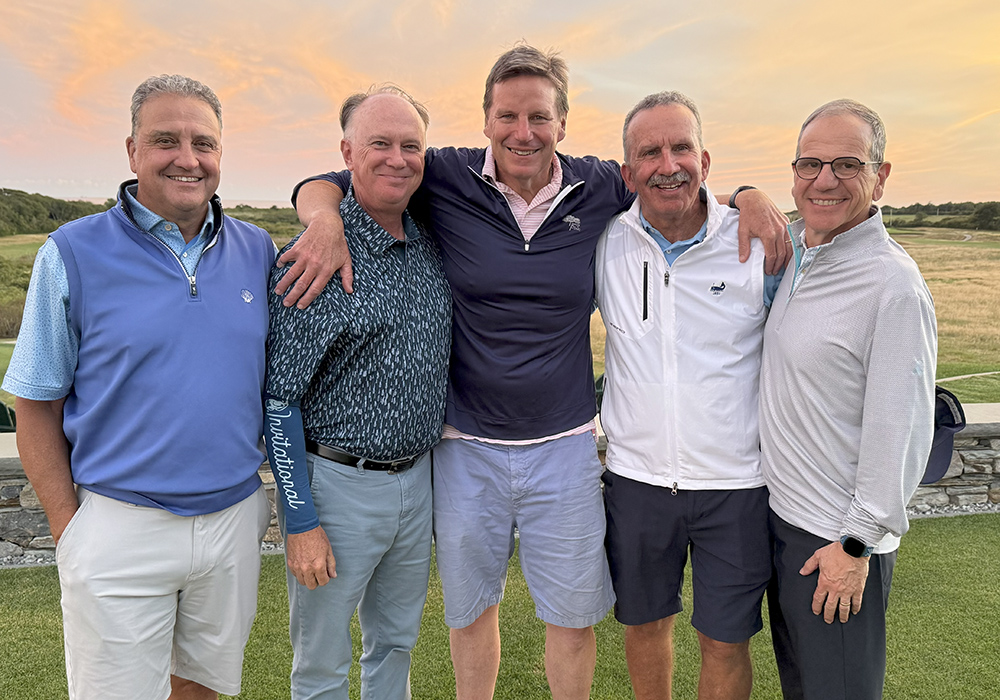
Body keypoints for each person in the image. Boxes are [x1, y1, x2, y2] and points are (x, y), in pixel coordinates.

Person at [291, 45, 790, 700]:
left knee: (572, 618)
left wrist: (748, 196)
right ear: (486, 120)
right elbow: (331, 179)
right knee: (471, 611)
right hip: (466, 446)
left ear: (562, 122)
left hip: (565, 446)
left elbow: (672, 181)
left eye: (539, 117)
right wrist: (323, 218)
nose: (522, 132)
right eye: (507, 116)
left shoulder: (600, 184)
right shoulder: (443, 175)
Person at [2, 74, 296, 700]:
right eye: (167, 140)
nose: (188, 158)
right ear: (133, 151)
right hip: (118, 521)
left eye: (203, 143)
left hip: (233, 519)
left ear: (220, 154)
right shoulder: (71, 252)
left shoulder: (256, 250)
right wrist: (71, 531)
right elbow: (35, 403)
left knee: (202, 688)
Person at [263, 87, 451, 700]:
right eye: (379, 144)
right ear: (347, 154)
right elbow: (278, 399)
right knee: (321, 665)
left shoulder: (431, 240)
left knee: (395, 646)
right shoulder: (315, 256)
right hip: (337, 486)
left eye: (410, 145)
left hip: (417, 481)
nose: (397, 158)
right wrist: (300, 520)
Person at [596, 91, 777, 700]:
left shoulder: (756, 243)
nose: (667, 165)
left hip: (736, 484)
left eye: (681, 148)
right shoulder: (607, 242)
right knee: (645, 627)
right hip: (638, 481)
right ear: (627, 173)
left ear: (705, 160)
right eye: (649, 152)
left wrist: (749, 196)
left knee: (724, 641)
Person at [760, 99, 937, 700]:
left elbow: (901, 428)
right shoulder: (797, 251)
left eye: (847, 165)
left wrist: (857, 544)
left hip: (837, 542)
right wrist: (747, 196)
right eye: (810, 164)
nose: (824, 180)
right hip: (784, 524)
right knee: (802, 686)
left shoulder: (893, 286)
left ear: (880, 177)